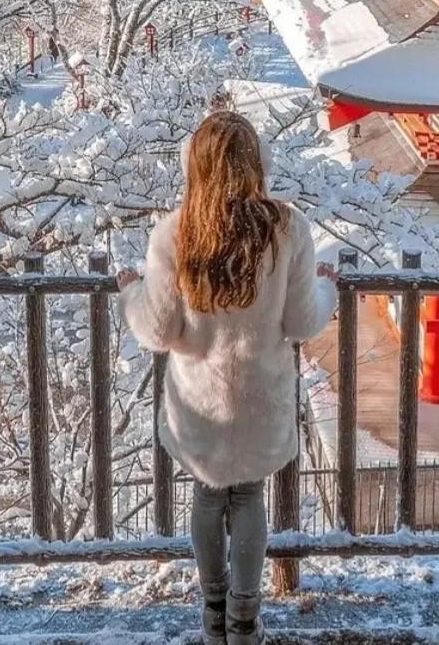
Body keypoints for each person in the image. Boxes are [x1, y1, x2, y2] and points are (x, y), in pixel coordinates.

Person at [117, 110, 338, 645]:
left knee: (209, 497)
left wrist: (129, 291)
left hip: (200, 403)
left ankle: (212, 615)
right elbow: (302, 322)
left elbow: (158, 328)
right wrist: (329, 287)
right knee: (249, 499)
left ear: (197, 166)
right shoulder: (287, 228)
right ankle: (246, 617)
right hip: (261, 398)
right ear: (255, 164)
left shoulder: (176, 233)